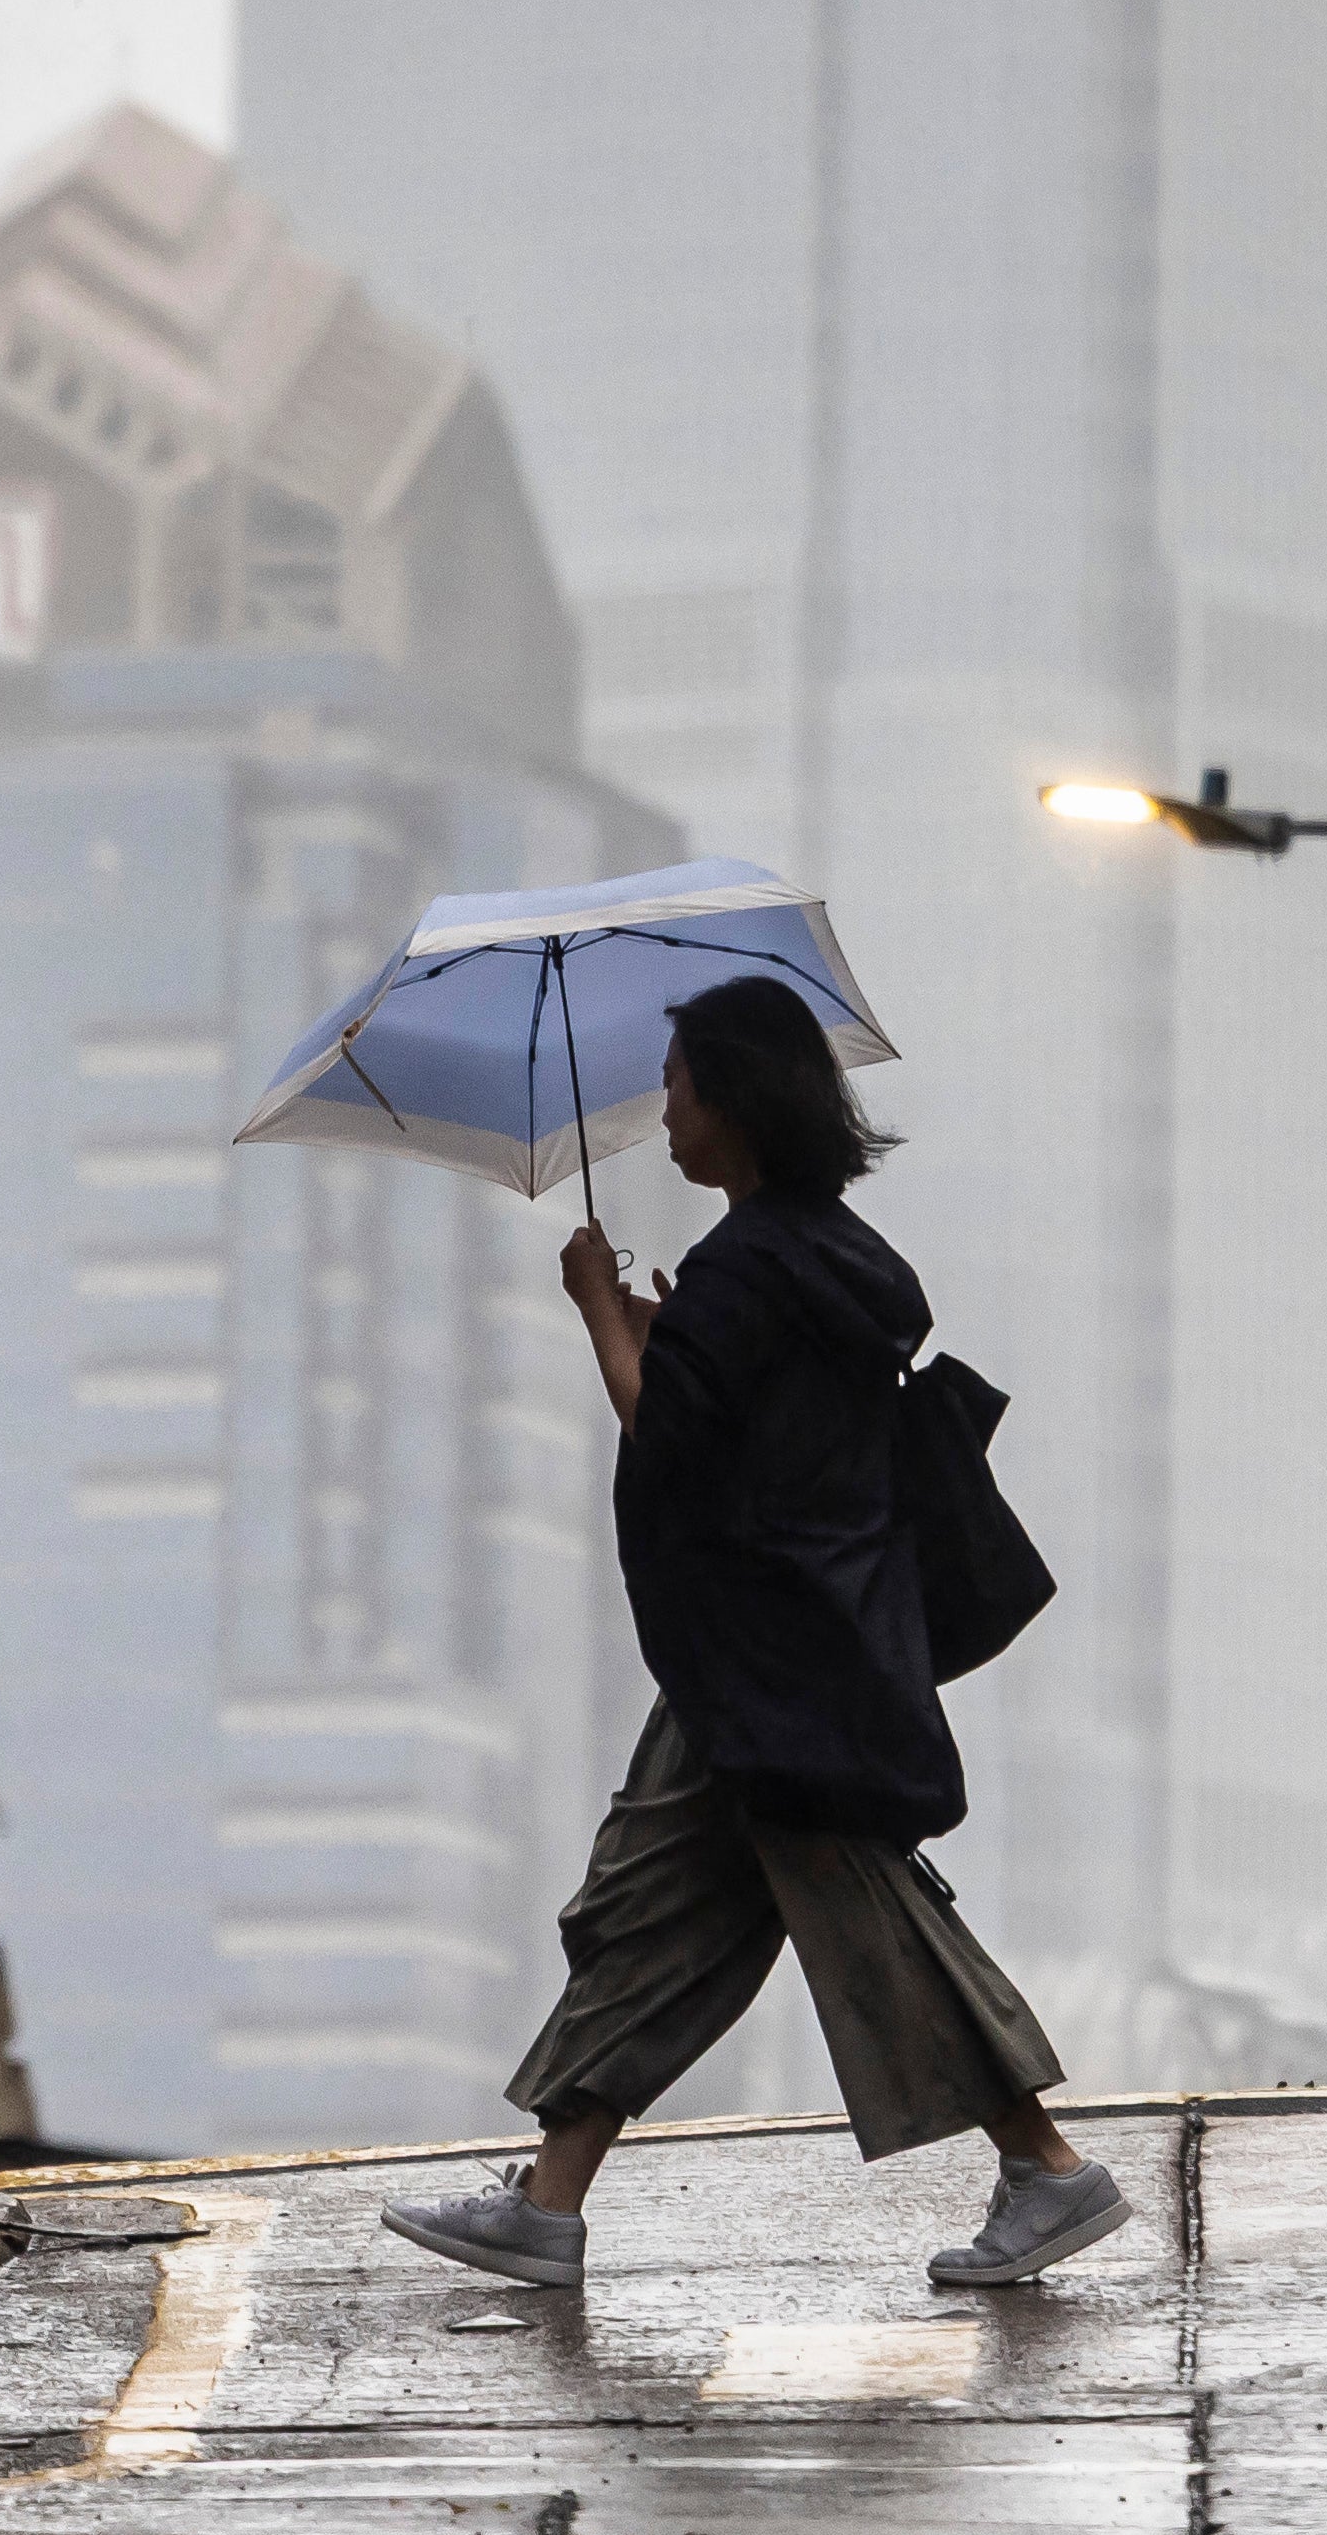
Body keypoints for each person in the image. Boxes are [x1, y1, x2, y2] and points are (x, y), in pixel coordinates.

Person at [383, 973, 1125, 2298]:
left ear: (730, 1099)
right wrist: (672, 1336)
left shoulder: (747, 1271)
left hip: (779, 1678)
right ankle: (546, 2203)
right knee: (647, 1911)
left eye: (675, 1088)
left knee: (866, 1916)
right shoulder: (823, 1255)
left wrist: (600, 1311)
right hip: (772, 1664)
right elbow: (759, 1441)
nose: (661, 1115)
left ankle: (1046, 2163)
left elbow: (671, 1452)